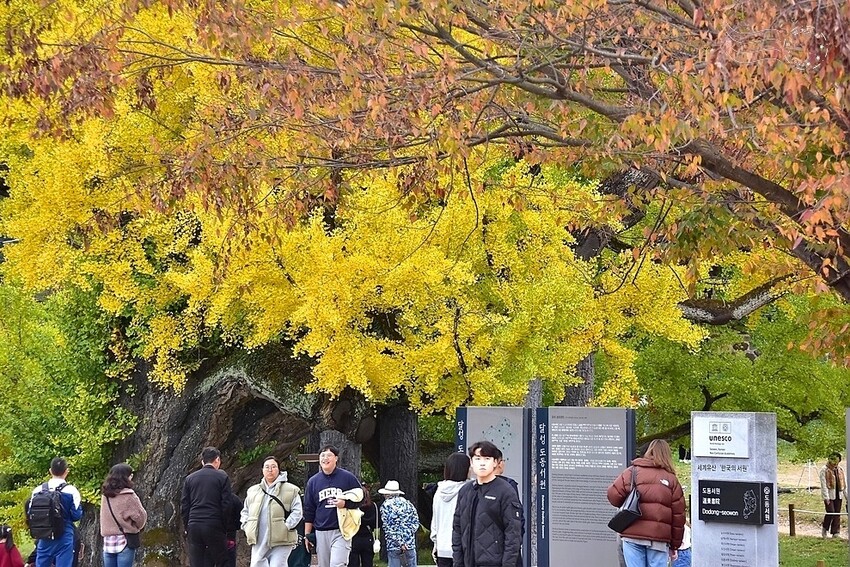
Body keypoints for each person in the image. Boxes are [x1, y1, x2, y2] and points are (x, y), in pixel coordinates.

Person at [607, 439, 685, 567]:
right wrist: (675, 545)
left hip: (632, 534)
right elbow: (678, 516)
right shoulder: (672, 480)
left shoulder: (632, 472)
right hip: (659, 538)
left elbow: (613, 496)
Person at [452, 441, 522, 567]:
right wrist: (458, 562)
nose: (482, 463)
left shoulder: (505, 491)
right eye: (477, 459)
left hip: (495, 562)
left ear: (495, 462)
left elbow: (513, 534)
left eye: (487, 458)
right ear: (472, 463)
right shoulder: (465, 491)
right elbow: (457, 530)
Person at [303, 445, 364, 567]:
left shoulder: (348, 478)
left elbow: (360, 499)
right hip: (321, 531)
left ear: (336, 458)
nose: (325, 458)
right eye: (322, 455)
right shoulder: (313, 482)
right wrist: (307, 535)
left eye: (329, 455)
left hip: (341, 530)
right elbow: (309, 510)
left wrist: (345, 504)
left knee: (338, 564)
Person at [241, 456, 304, 567]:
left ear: (279, 469)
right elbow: (245, 511)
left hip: (282, 539)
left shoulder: (291, 489)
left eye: (273, 466)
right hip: (259, 539)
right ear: (262, 470)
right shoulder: (253, 491)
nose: (270, 470)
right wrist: (246, 526)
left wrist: (287, 526)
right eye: (267, 467)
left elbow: (297, 511)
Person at [181, 446, 234, 567]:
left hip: (194, 524)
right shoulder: (222, 477)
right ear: (217, 460)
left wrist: (187, 525)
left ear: (202, 461)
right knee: (222, 560)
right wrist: (224, 526)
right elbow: (226, 504)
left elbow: (185, 505)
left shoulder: (190, 479)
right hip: (214, 523)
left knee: (197, 562)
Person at [28, 457, 83, 567]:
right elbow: (76, 515)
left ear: (50, 471)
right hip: (65, 533)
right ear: (66, 471)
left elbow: (30, 512)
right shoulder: (71, 490)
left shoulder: (38, 490)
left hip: (44, 534)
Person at [100, 463, 148, 567]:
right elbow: (140, 517)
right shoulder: (129, 495)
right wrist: (136, 527)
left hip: (108, 542)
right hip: (125, 540)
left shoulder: (105, 496)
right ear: (127, 477)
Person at [430, 453, 469, 567]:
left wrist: (436, 544)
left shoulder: (438, 491)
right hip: (461, 548)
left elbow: (435, 522)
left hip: (442, 548)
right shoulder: (467, 491)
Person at [378, 480, 418, 567]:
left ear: (387, 494)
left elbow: (388, 527)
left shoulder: (386, 506)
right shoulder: (408, 504)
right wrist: (407, 540)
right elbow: (415, 523)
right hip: (410, 544)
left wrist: (400, 543)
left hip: (394, 546)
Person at [819, 451, 848, 539]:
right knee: (831, 512)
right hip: (829, 495)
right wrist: (826, 497)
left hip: (838, 494)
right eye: (834, 461)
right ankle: (825, 528)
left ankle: (835, 532)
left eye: (837, 461)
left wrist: (847, 497)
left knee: (837, 513)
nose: (835, 463)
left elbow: (844, 484)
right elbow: (823, 485)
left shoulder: (840, 469)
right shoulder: (824, 469)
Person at [348, 483, 377, 567]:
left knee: (353, 563)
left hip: (354, 537)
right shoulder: (373, 507)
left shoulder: (353, 507)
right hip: (368, 538)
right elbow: (376, 524)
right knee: (368, 563)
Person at [223, 492, 243, 567]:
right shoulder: (234, 498)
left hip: (211, 536)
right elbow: (241, 516)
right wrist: (236, 527)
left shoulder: (211, 498)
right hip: (229, 535)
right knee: (229, 561)